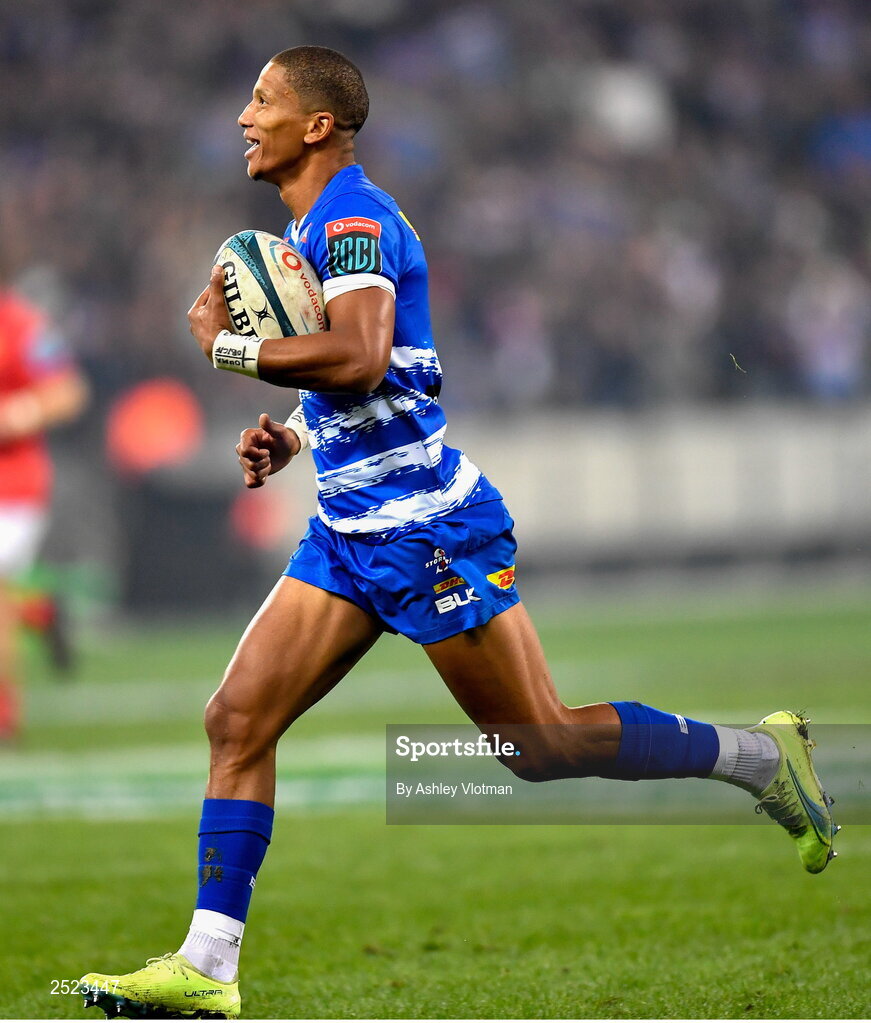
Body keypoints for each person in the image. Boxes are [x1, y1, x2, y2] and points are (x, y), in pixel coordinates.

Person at [81, 46, 838, 1020]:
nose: (242, 115)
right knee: (236, 720)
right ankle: (207, 967)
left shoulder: (353, 221)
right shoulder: (315, 230)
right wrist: (296, 438)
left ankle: (762, 759)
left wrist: (228, 348)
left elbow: (357, 357)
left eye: (262, 99)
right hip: (349, 533)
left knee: (539, 745)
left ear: (317, 126)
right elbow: (381, 383)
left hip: (428, 533)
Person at [0, 281, 88, 740]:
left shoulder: (20, 323)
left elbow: (68, 392)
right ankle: (37, 610)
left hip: (11, 486)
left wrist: (17, 414)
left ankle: (4, 714)